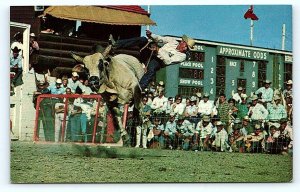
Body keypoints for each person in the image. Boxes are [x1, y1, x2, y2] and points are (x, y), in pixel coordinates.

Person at [109, 31, 195, 89]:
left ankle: (139, 88)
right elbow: (160, 39)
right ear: (182, 42)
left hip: (158, 62)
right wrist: (151, 35)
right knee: (143, 39)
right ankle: (116, 45)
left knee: (152, 68)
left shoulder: (182, 56)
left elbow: (168, 61)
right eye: (186, 46)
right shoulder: (173, 41)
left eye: (187, 48)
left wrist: (158, 50)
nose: (185, 49)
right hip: (151, 54)